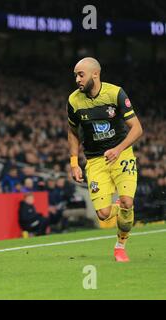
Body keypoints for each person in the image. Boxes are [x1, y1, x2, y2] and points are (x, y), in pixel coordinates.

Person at [67, 57, 143, 262]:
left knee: (128, 201)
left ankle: (120, 246)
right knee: (103, 214)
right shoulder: (74, 100)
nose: (77, 79)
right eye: (75, 75)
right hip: (94, 160)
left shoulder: (115, 93)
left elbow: (137, 128)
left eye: (80, 74)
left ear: (95, 74)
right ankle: (122, 208)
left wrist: (118, 149)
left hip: (121, 155)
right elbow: (72, 131)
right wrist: (74, 163)